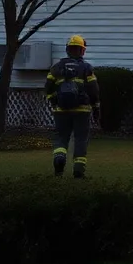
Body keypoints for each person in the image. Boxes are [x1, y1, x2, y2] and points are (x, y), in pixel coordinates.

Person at [45, 35, 100, 179]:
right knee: (81, 139)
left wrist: (53, 101)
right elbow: (94, 89)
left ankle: (59, 159)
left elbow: (48, 88)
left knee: (61, 137)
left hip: (61, 110)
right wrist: (96, 107)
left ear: (67, 49)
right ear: (82, 51)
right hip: (82, 110)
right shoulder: (86, 67)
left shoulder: (56, 67)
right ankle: (78, 170)